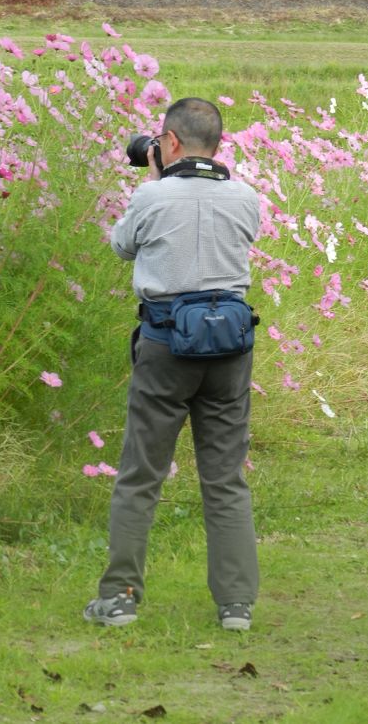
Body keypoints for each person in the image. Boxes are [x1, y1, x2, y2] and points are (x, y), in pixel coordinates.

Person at [84, 97, 261, 630]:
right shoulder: (246, 196)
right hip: (231, 347)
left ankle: (119, 598)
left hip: (166, 345)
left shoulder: (151, 194)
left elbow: (121, 246)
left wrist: (159, 179)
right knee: (226, 478)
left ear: (171, 141)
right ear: (219, 144)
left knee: (141, 474)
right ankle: (236, 606)